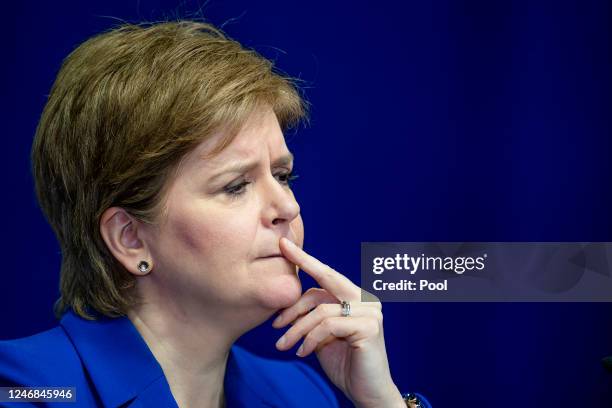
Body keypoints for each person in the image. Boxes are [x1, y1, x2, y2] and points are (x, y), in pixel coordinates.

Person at [0, 20, 431, 408]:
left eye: (282, 176)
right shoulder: (24, 390)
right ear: (130, 238)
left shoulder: (301, 393)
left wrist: (383, 404)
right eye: (235, 186)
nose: (288, 207)